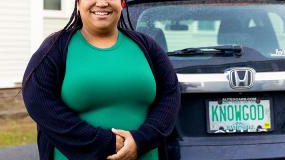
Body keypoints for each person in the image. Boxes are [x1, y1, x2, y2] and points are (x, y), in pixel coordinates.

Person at [21, 0, 181, 159]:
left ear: (122, 3)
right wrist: (109, 143)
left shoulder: (146, 46)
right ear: (78, 2)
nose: (102, 3)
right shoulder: (55, 49)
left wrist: (141, 140)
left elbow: (170, 94)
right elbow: (39, 102)